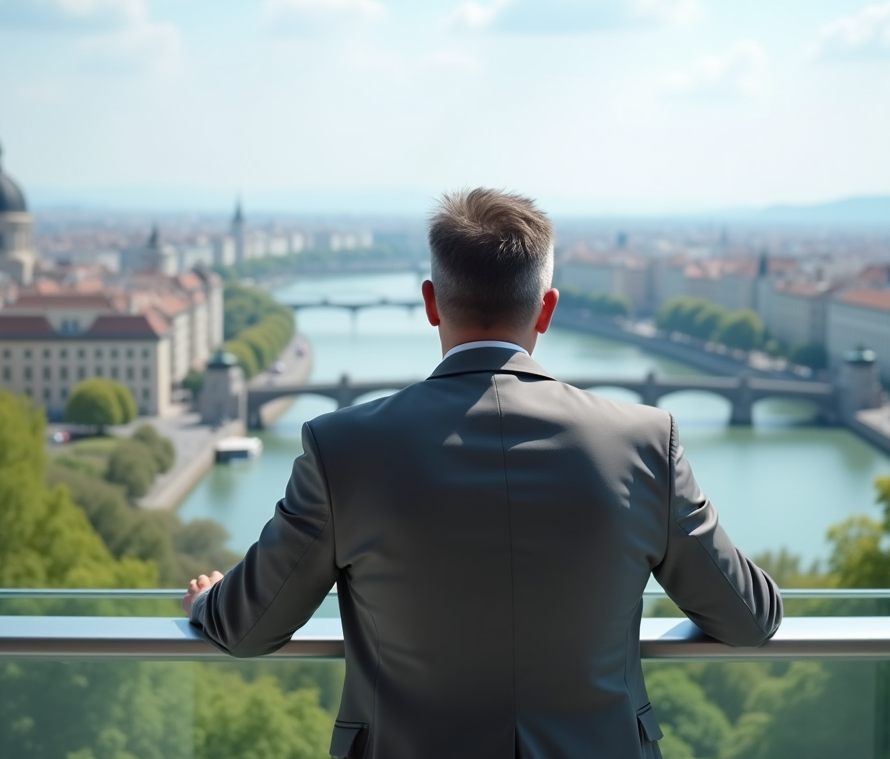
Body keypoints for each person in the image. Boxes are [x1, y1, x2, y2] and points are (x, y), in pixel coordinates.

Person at [185, 188, 782, 759]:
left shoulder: (341, 447)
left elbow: (247, 627)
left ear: (430, 303)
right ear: (547, 309)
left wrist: (209, 600)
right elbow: (750, 619)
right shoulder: (645, 442)